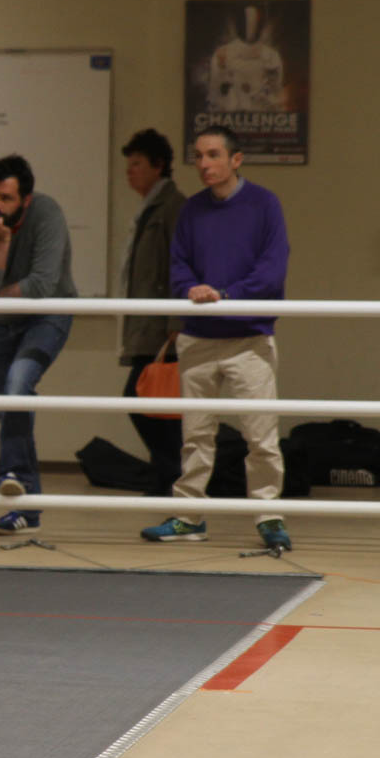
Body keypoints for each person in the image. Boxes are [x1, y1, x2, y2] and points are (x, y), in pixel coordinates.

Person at [141, 126, 292, 550]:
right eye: (198, 156)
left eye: (212, 155)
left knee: (260, 437)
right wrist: (193, 290)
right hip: (199, 337)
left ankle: (268, 516)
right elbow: (178, 266)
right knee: (195, 436)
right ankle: (188, 516)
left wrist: (225, 295)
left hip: (249, 337)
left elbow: (271, 271)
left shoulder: (265, 205)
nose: (204, 164)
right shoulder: (191, 210)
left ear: (235, 159)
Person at [0, 154, 77, 536]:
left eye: (5, 198)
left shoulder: (47, 213)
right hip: (1, 322)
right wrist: (1, 239)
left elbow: (42, 284)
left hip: (48, 315)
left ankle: (11, 477)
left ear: (25, 199)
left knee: (17, 387)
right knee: (8, 407)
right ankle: (28, 510)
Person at [117, 129, 187, 495]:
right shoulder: (149, 208)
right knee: (154, 405)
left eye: (137, 164)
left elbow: (181, 266)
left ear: (158, 166)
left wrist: (176, 322)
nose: (130, 171)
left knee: (144, 400)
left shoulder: (173, 208)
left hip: (162, 327)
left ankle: (172, 476)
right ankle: (168, 477)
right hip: (146, 323)